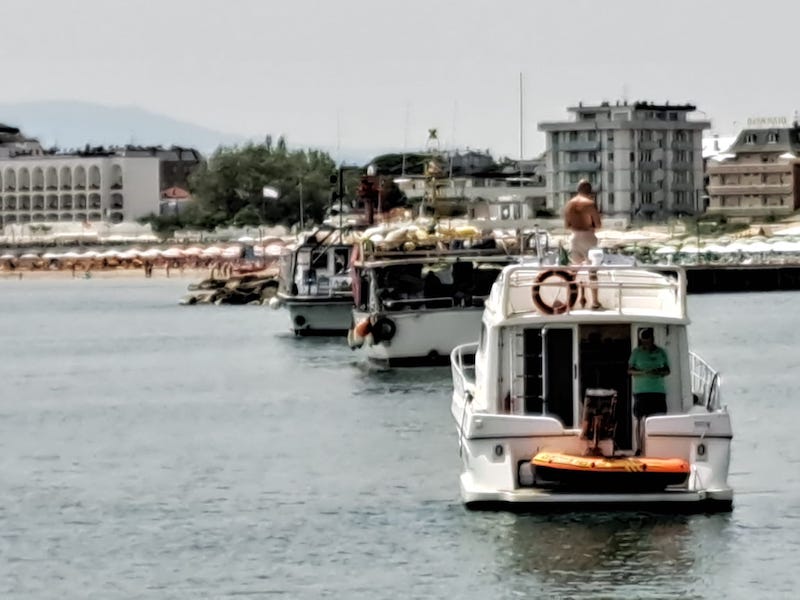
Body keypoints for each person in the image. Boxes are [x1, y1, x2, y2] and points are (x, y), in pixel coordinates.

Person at [628, 327, 670, 455]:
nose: (645, 343)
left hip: (658, 391)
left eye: (648, 340)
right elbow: (629, 370)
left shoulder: (661, 352)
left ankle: (657, 448)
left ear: (652, 339)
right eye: (643, 341)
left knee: (658, 419)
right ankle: (639, 448)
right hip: (641, 391)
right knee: (640, 419)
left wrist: (658, 372)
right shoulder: (636, 352)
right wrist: (642, 372)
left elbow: (667, 370)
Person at [564, 179, 602, 308]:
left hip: (574, 237)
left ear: (577, 189)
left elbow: (567, 225)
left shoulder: (569, 204)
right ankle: (595, 302)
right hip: (588, 237)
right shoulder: (590, 203)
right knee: (592, 271)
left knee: (573, 271)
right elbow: (598, 224)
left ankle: (570, 300)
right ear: (590, 191)